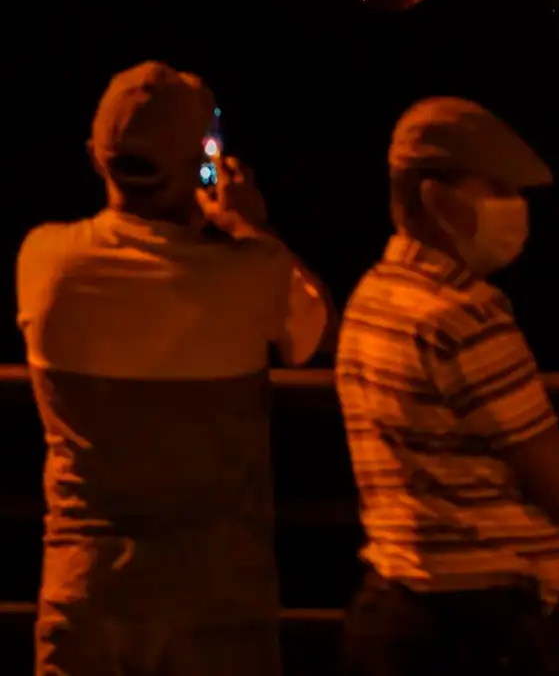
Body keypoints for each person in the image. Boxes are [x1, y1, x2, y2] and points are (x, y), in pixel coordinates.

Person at [15, 61, 334, 676]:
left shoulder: (45, 262)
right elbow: (316, 331)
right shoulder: (249, 273)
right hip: (216, 607)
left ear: (98, 157)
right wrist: (249, 226)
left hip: (87, 599)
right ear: (200, 168)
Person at [336, 97, 559, 676]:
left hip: (395, 601)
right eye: (499, 191)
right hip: (478, 629)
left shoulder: (371, 298)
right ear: (437, 198)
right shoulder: (462, 316)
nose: (514, 210)